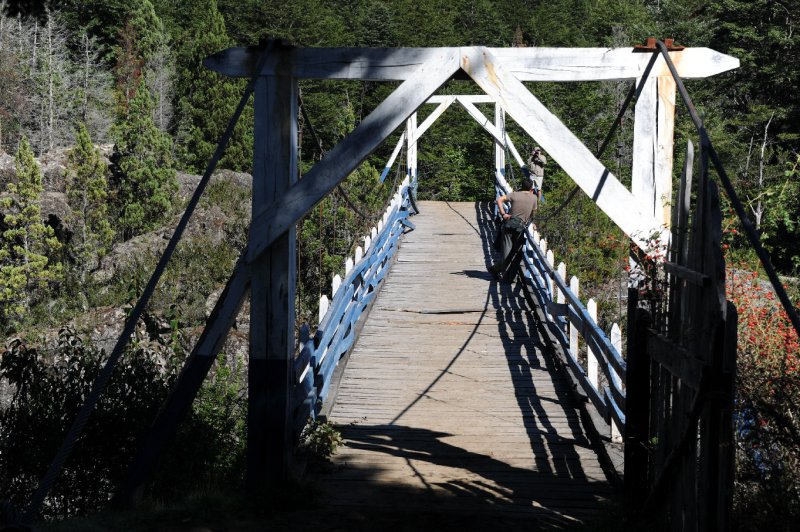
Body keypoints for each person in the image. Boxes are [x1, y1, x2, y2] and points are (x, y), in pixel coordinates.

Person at [490, 176, 538, 280]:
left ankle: (504, 275)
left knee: (507, 255)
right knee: (517, 254)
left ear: (522, 186)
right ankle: (497, 271)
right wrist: (532, 223)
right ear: (531, 189)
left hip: (508, 226)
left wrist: (503, 214)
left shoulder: (514, 194)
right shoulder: (534, 198)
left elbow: (499, 200)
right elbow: (533, 214)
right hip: (520, 229)